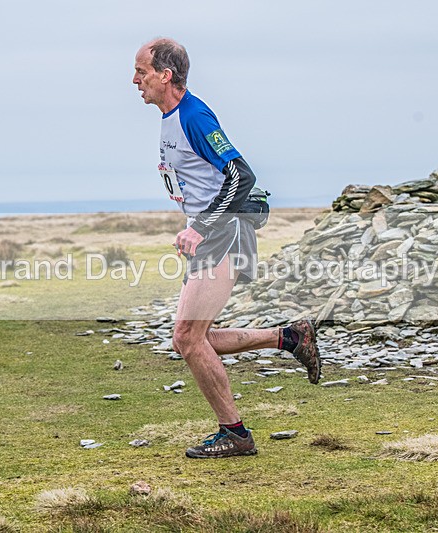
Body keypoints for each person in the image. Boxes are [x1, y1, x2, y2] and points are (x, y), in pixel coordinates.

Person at [132, 38, 321, 459]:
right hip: (214, 232)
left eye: (141, 71)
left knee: (187, 336)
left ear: (165, 75)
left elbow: (241, 174)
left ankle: (235, 434)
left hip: (225, 231)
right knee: (191, 338)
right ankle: (290, 337)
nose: (134, 79)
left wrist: (199, 226)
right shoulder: (170, 117)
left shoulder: (194, 116)